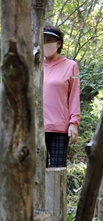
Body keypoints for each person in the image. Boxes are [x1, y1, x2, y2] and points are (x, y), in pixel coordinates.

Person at [43, 25, 80, 167]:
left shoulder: (70, 66)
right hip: (36, 127)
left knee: (57, 173)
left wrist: (74, 123)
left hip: (59, 128)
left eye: (49, 40)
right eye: (43, 40)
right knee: (36, 174)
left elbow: (74, 95)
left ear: (58, 44)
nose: (46, 43)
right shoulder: (34, 65)